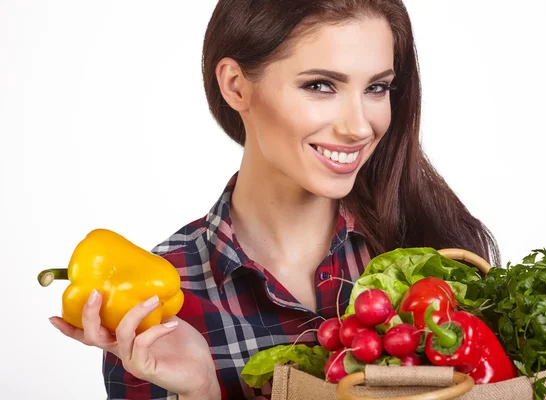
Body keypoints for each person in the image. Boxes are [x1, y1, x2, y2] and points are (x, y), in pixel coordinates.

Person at [48, 0, 500, 399]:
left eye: (376, 88)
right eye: (321, 85)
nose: (359, 127)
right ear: (236, 85)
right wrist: (203, 392)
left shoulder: (436, 262)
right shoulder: (157, 304)